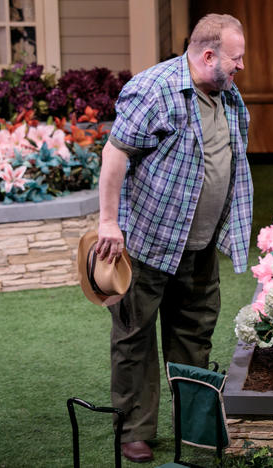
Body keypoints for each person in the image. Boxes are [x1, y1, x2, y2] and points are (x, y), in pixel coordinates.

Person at [95, 13, 253, 463]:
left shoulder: (225, 90)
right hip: (147, 242)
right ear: (208, 56)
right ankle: (135, 430)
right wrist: (109, 223)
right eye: (235, 59)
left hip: (198, 244)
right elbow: (114, 153)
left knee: (195, 332)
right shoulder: (154, 89)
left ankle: (194, 425)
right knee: (135, 336)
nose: (241, 67)